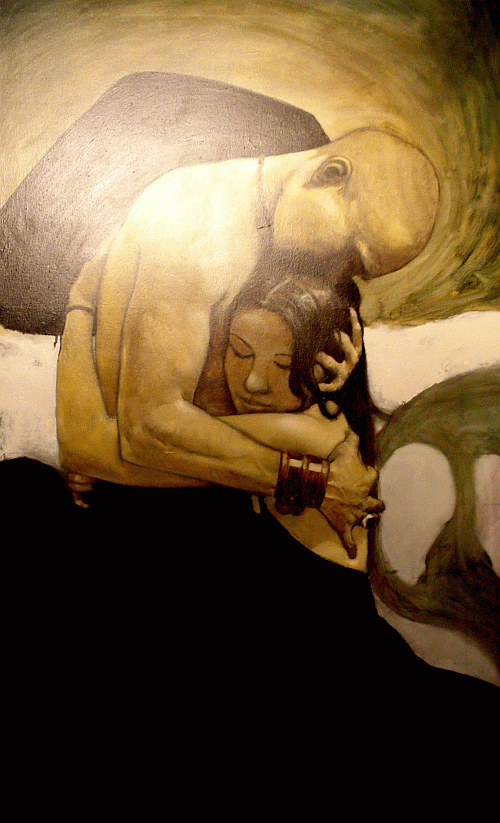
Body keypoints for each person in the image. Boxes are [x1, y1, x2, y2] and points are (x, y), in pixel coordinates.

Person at [58, 248, 383, 567]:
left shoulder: (304, 433)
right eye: (240, 351)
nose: (253, 382)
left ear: (328, 365)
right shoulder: (307, 423)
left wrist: (81, 307)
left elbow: (90, 445)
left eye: (284, 364)